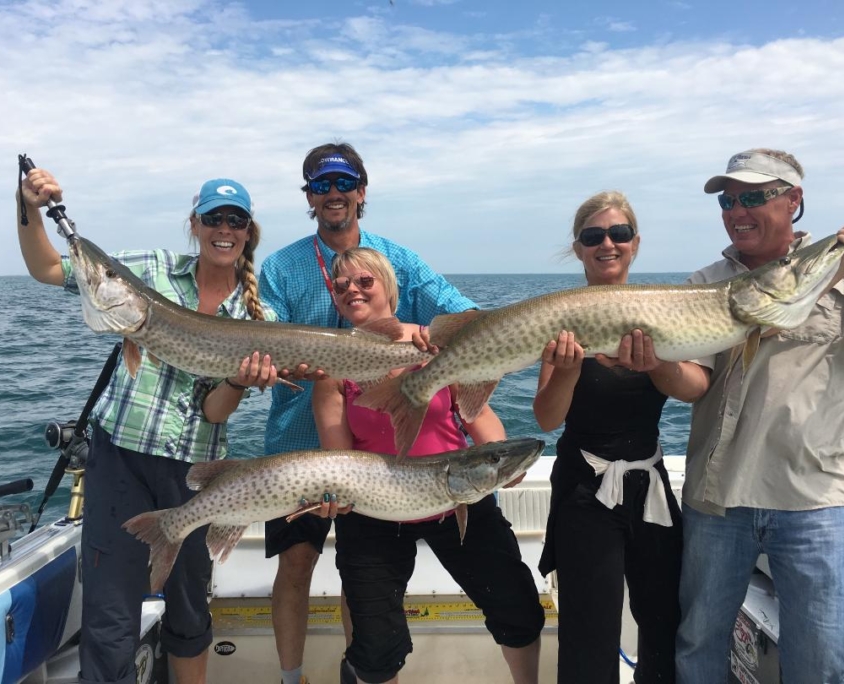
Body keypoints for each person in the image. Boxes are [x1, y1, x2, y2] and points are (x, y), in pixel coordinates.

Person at [16, 169, 278, 684]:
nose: (223, 228)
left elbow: (216, 413)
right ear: (195, 224)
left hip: (195, 477)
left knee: (188, 613)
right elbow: (48, 267)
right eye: (213, 218)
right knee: (110, 613)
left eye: (235, 220)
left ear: (248, 232)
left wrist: (243, 382)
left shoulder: (257, 316)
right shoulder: (148, 269)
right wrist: (26, 207)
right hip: (120, 464)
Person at [258, 142, 477, 684]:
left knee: (361, 574)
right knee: (296, 562)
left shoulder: (395, 258)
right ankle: (291, 678)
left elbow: (460, 314)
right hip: (297, 438)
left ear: (361, 190)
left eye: (342, 183)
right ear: (308, 196)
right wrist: (278, 366)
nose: (333, 194)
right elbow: (265, 338)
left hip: (376, 449)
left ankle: (366, 673)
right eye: (320, 185)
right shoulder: (280, 266)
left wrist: (416, 331)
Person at [312, 247, 544, 684]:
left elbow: (479, 416)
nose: (352, 290)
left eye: (365, 281)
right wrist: (333, 497)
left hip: (457, 498)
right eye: (341, 285)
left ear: (388, 286)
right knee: (376, 643)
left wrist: (505, 460)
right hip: (375, 513)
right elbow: (339, 458)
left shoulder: (434, 345)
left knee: (515, 605)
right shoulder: (333, 369)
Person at [675, 149, 844, 683]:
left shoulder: (833, 274)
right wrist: (656, 361)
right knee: (699, 643)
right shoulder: (701, 282)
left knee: (821, 655)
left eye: (753, 196)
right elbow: (693, 383)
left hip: (813, 497)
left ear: (794, 200)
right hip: (717, 495)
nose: (736, 210)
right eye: (728, 200)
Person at [532, 191, 710, 684]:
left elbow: (696, 388)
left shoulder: (658, 309)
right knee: (589, 632)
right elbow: (547, 418)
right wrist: (568, 372)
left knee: (664, 621)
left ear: (634, 244)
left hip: (649, 483)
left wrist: (659, 364)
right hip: (585, 490)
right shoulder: (562, 315)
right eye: (594, 236)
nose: (607, 243)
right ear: (579, 248)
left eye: (618, 234)